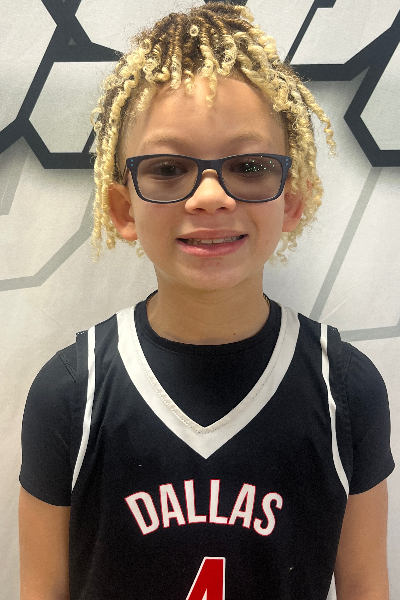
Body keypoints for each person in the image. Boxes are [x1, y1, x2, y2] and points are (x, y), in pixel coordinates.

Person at [19, 3, 394, 599]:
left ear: (292, 200)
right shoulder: (71, 393)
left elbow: (367, 585)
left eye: (249, 166)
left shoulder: (344, 390)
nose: (211, 196)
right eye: (169, 168)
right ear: (123, 209)